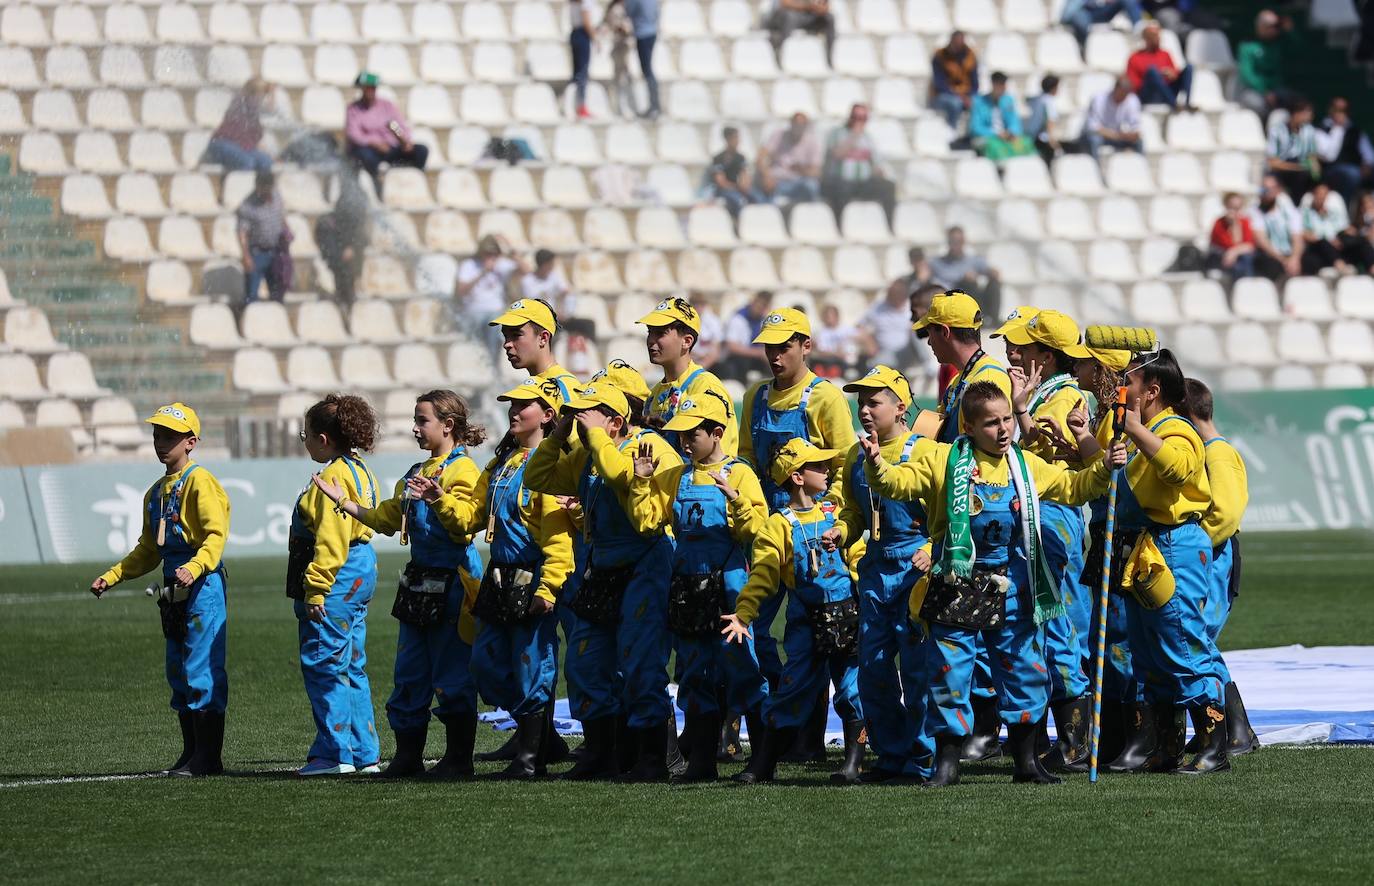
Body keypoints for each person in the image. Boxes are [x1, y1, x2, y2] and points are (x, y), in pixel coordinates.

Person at [863, 381, 1128, 786]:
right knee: (949, 673)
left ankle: (1026, 761)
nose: (1004, 429)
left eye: (1007, 419)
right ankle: (946, 765)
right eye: (991, 423)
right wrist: (876, 465)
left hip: (1014, 583)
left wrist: (1105, 465)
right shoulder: (941, 460)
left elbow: (1076, 488)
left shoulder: (1025, 464)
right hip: (956, 581)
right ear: (967, 427)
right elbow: (896, 485)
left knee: (1024, 670)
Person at [313, 392, 486, 780]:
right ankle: (408, 755)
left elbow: (465, 525)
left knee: (452, 672)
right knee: (409, 672)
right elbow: (386, 519)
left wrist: (440, 499)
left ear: (448, 426)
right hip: (418, 584)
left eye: (422, 421)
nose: (415, 428)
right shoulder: (414, 472)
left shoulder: (464, 472)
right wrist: (345, 503)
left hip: (454, 584)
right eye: (415, 419)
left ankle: (459, 758)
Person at [525, 381, 685, 781]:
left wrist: (597, 438)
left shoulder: (651, 449)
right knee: (585, 661)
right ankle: (600, 752)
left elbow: (625, 483)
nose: (579, 421)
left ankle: (653, 757)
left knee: (641, 663)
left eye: (587, 415)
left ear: (615, 422)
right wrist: (559, 434)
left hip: (645, 564)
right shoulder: (586, 452)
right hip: (601, 568)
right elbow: (538, 478)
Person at [738, 307, 858, 762]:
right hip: (771, 530)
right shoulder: (756, 396)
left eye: (784, 346)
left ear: (806, 346)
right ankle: (771, 727)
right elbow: (747, 462)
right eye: (769, 346)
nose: (775, 355)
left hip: (817, 535)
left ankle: (809, 739)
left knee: (824, 631)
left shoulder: (824, 397)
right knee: (752, 628)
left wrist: (836, 523)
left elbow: (844, 465)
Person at [1103, 349, 1228, 776]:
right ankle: (1167, 747)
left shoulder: (1176, 428)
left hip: (1174, 545)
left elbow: (1176, 469)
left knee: (1182, 642)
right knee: (1150, 653)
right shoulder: (1144, 431)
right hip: (1145, 548)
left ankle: (1214, 747)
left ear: (1151, 391)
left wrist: (1135, 429)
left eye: (1128, 382)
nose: (1120, 388)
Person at [89, 403, 230, 778]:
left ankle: (208, 758)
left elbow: (216, 536)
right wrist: (113, 575)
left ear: (191, 442)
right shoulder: (155, 493)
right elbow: (149, 550)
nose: (160, 442)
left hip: (202, 585)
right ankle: (190, 752)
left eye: (169, 436)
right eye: (157, 434)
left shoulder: (201, 482)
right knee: (178, 670)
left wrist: (196, 566)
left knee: (201, 668)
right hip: (172, 586)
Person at [723, 438, 865, 784]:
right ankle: (764, 763)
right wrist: (744, 613)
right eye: (818, 466)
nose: (827, 470)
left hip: (847, 618)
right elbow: (763, 575)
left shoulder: (836, 515)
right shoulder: (778, 525)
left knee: (851, 690)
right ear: (797, 477)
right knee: (791, 687)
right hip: (806, 623)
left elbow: (857, 558)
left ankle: (853, 763)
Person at [646, 394, 768, 780]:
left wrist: (735, 500)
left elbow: (757, 531)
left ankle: (761, 761)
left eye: (691, 433)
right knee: (695, 672)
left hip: (729, 584)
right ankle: (701, 761)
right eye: (679, 434)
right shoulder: (674, 476)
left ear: (716, 433)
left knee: (743, 668)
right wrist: (640, 480)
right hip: (687, 586)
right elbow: (646, 520)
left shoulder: (742, 473)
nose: (684, 441)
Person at [828, 367, 939, 782]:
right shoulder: (856, 455)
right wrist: (841, 530)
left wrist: (930, 550)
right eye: (861, 403)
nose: (864, 410)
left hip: (914, 570)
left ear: (901, 406)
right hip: (875, 571)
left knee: (916, 667)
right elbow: (854, 512)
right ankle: (891, 754)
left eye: (874, 402)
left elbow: (946, 516)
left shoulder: (924, 452)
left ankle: (923, 757)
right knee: (873, 666)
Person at [465, 381, 577, 778]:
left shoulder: (549, 469)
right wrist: (438, 500)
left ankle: (531, 758)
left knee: (533, 664)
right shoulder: (502, 463)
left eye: (524, 406)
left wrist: (547, 589)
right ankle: (540, 736)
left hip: (531, 577)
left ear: (548, 416)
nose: (514, 411)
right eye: (511, 405)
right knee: (485, 663)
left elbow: (558, 538)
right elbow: (472, 516)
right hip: (498, 578)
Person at [1002, 310, 1097, 772]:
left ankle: (1075, 743)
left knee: (1055, 619)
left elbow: (1041, 445)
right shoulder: (1044, 391)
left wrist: (1021, 410)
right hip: (1041, 510)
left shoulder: (1064, 395)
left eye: (1023, 345)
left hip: (1054, 511)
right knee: (1044, 620)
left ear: (1047, 355)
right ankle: (1047, 737)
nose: (1013, 350)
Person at [288, 394, 383, 777]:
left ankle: (333, 753)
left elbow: (330, 539)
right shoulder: (360, 469)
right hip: (361, 568)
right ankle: (364, 754)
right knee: (351, 663)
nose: (305, 441)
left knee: (324, 662)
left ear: (324, 439)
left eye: (305, 435)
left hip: (339, 574)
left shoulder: (331, 477)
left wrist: (316, 589)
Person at [1179, 378, 1258, 760]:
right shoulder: (1214, 451)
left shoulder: (1217, 454)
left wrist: (1191, 547)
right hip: (1208, 554)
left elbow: (1225, 515)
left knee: (1200, 639)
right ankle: (1232, 729)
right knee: (1199, 639)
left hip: (1213, 555)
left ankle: (1237, 729)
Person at [637, 296, 740, 456]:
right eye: (650, 332)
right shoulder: (655, 394)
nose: (651, 340)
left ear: (687, 341)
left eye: (660, 333)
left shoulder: (706, 387)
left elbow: (719, 457)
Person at [344, 72, 428, 197]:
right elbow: (354, 134)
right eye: (367, 88)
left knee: (421, 150)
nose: (370, 91)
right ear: (361, 89)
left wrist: (404, 141)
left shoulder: (386, 106)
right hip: (370, 151)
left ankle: (409, 182)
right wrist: (374, 143)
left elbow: (397, 126)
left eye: (372, 88)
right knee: (364, 155)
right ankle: (378, 186)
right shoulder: (353, 109)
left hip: (391, 149)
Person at [489, 297, 582, 397]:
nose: (506, 344)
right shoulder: (533, 384)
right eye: (505, 336)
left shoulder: (564, 389)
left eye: (516, 335)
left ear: (543, 338)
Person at [821, 104, 897, 227]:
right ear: (850, 117)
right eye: (856, 117)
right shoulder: (836, 133)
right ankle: (840, 226)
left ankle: (889, 225)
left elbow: (875, 163)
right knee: (841, 189)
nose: (858, 121)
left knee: (888, 187)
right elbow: (837, 154)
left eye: (862, 118)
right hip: (841, 181)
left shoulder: (868, 138)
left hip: (863, 182)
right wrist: (854, 136)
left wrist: (879, 171)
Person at [315, 173, 371, 310]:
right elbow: (324, 243)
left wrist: (351, 247)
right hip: (336, 260)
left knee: (348, 287)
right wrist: (339, 253)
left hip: (349, 262)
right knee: (342, 283)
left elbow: (362, 238)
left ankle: (347, 304)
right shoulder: (327, 222)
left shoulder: (353, 218)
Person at [458, 235, 522, 352]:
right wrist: (483, 272)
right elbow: (461, 291)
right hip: (474, 311)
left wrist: (510, 249)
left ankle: (492, 364)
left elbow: (526, 270)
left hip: (495, 311)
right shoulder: (469, 265)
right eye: (487, 253)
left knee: (497, 328)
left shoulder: (501, 264)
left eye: (494, 253)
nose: (490, 257)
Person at [236, 169, 289, 305]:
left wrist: (286, 232)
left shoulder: (277, 196)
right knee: (252, 295)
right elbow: (242, 232)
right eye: (264, 187)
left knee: (277, 293)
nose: (267, 191)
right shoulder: (247, 206)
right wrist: (246, 256)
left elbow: (281, 217)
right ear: (258, 186)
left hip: (277, 251)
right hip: (257, 253)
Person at [1300, 182, 1374, 275]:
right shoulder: (1307, 213)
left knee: (1362, 242)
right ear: (1313, 195)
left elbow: (1344, 229)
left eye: (1324, 194)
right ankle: (1342, 268)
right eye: (1319, 194)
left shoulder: (1333, 213)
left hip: (1338, 245)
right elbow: (1304, 233)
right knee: (1322, 243)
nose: (1322, 197)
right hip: (1321, 248)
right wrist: (1328, 240)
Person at [928, 228, 1002, 320]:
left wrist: (992, 273)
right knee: (968, 283)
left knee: (994, 283)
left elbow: (991, 271)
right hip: (951, 300)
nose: (956, 244)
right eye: (953, 241)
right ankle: (976, 318)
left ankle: (993, 319)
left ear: (964, 242)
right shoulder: (937, 263)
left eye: (959, 241)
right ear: (948, 242)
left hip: (974, 298)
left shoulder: (973, 260)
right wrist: (963, 279)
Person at [753, 112, 823, 207]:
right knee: (761, 188)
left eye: (801, 124)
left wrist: (801, 169)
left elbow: (816, 172)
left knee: (812, 186)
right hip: (777, 181)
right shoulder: (778, 135)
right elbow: (760, 157)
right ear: (791, 123)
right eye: (796, 124)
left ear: (806, 126)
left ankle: (810, 214)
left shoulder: (813, 142)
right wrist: (766, 176)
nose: (798, 127)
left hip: (798, 183)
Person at [204, 78, 273, 172]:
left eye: (263, 96)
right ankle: (241, 185)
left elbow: (255, 133)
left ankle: (260, 186)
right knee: (247, 162)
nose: (261, 99)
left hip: (240, 146)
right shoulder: (239, 103)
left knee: (266, 161)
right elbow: (239, 132)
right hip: (221, 143)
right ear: (251, 93)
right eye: (260, 96)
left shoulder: (253, 108)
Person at [1236, 10, 1295, 120]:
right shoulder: (1247, 46)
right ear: (1261, 27)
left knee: (1292, 101)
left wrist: (1290, 32)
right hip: (1252, 92)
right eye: (1271, 26)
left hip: (1276, 91)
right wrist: (1265, 92)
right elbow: (1247, 75)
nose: (1275, 30)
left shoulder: (1279, 44)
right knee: (1259, 105)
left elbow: (1299, 49)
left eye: (1277, 27)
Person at [1317, 97, 1374, 206]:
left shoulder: (1355, 131)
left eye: (1343, 111)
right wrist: (1337, 129)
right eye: (1337, 110)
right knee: (1351, 174)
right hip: (1330, 170)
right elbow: (1328, 156)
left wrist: (1367, 166)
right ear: (1330, 110)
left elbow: (1369, 156)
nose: (1340, 114)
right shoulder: (1322, 129)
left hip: (1355, 169)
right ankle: (1345, 210)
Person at [1127, 20, 1194, 109]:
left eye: (1158, 35)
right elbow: (1133, 84)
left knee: (1189, 68)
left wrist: (1172, 74)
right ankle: (1174, 105)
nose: (1158, 38)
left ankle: (1187, 103)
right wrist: (1155, 77)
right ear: (1146, 38)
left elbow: (1174, 73)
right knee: (1152, 71)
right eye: (1154, 36)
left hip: (1168, 92)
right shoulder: (1135, 57)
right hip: (1148, 95)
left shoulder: (1165, 54)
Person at [1250, 173, 1305, 280]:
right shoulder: (1255, 211)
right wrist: (1283, 260)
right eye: (1265, 189)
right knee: (1271, 265)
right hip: (1270, 255)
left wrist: (1294, 258)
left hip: (1289, 253)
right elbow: (1262, 241)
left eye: (1271, 188)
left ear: (1278, 190)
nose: (1268, 192)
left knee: (1309, 262)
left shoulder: (1289, 209)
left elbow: (1297, 237)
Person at [969, 72, 1032, 164]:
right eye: (1000, 85)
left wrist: (1011, 132)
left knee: (1026, 142)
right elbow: (976, 127)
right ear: (993, 84)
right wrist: (997, 134)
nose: (1002, 88)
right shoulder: (979, 102)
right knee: (996, 147)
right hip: (988, 137)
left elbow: (1014, 122)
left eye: (1004, 85)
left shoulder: (1008, 100)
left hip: (1006, 136)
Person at [861, 279, 920, 375]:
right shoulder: (878, 307)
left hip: (908, 352)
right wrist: (869, 341)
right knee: (874, 365)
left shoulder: (912, 307)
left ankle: (929, 365)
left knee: (917, 331)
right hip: (885, 352)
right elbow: (860, 326)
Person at [1266, 98, 1320, 203]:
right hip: (1282, 172)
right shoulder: (1276, 131)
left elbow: (1312, 157)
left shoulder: (1309, 131)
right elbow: (1273, 163)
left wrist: (1316, 171)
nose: (1310, 117)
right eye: (1306, 113)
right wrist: (1297, 168)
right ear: (1295, 114)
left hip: (1302, 172)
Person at [1081, 77, 1143, 164]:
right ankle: (1096, 172)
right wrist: (1115, 135)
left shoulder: (1132, 100)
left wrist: (1133, 134)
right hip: (1100, 136)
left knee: (1138, 142)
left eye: (1125, 94)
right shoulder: (1099, 99)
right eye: (1121, 92)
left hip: (1119, 136)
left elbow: (1136, 125)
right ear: (1115, 89)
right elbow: (1092, 127)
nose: (1123, 96)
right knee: (1094, 140)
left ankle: (1140, 168)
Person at [718, 290, 774, 382]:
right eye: (760, 305)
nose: (760, 309)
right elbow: (732, 347)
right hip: (735, 359)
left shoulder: (764, 320)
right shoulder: (738, 319)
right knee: (741, 363)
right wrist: (759, 353)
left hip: (756, 358)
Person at [930, 31, 978, 129]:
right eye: (955, 43)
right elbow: (939, 84)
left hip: (966, 94)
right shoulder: (940, 56)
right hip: (944, 95)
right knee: (955, 103)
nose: (958, 46)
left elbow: (975, 83)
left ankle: (972, 134)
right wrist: (959, 96)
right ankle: (952, 133)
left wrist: (968, 96)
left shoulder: (970, 56)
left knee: (979, 103)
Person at [1207, 192, 1259, 283]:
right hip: (1221, 257)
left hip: (1236, 257)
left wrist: (1234, 251)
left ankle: (1246, 285)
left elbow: (1250, 245)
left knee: (1246, 259)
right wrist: (1233, 225)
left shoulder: (1245, 222)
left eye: (1238, 207)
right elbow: (1230, 244)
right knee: (1241, 262)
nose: (1235, 211)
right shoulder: (1219, 223)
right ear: (1226, 206)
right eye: (1232, 207)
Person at [766, 0, 836, 67]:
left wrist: (821, 9)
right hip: (785, 15)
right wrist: (809, 6)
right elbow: (785, 3)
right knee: (789, 17)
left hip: (808, 16)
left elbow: (825, 6)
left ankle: (829, 59)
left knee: (829, 18)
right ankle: (779, 52)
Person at [624, 0, 661, 119]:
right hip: (651, 32)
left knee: (647, 71)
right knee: (648, 70)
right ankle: (655, 105)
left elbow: (629, 11)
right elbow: (657, 13)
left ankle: (654, 106)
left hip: (642, 34)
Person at [1060, 0, 1143, 51]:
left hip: (1102, 11)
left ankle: (1139, 27)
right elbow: (1075, 7)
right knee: (1081, 21)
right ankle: (1082, 45)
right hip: (1084, 12)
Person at [709, 126, 754, 219]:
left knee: (757, 199)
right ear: (727, 139)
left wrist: (744, 185)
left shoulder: (741, 158)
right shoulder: (718, 158)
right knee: (739, 201)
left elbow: (745, 175)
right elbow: (721, 182)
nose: (737, 140)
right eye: (735, 137)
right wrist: (736, 187)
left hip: (737, 189)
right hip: (723, 191)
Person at [602, 0, 637, 118]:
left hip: (623, 47)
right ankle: (619, 107)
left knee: (624, 78)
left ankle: (624, 107)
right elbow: (616, 27)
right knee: (620, 79)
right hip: (619, 47)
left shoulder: (623, 8)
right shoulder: (617, 9)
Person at [813, 303, 865, 378]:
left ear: (837, 316)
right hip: (830, 362)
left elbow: (861, 337)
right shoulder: (821, 332)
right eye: (827, 316)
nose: (829, 318)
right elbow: (821, 352)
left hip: (848, 360)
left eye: (831, 315)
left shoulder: (846, 329)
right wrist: (836, 354)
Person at [520, 249, 574, 319]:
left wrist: (563, 310)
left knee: (587, 324)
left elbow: (565, 290)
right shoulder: (527, 281)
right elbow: (530, 305)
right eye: (551, 264)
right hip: (538, 318)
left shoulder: (554, 276)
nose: (553, 267)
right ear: (544, 265)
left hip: (556, 316)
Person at [569, 0, 600, 119]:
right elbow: (586, 20)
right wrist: (595, 37)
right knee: (582, 71)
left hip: (574, 33)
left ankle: (574, 104)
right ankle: (581, 106)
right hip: (582, 34)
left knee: (577, 71)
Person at [1024, 75, 1063, 165]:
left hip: (1031, 136)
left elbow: (1027, 100)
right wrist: (1052, 141)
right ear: (1054, 88)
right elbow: (1050, 120)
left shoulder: (1038, 99)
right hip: (1041, 138)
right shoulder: (1050, 101)